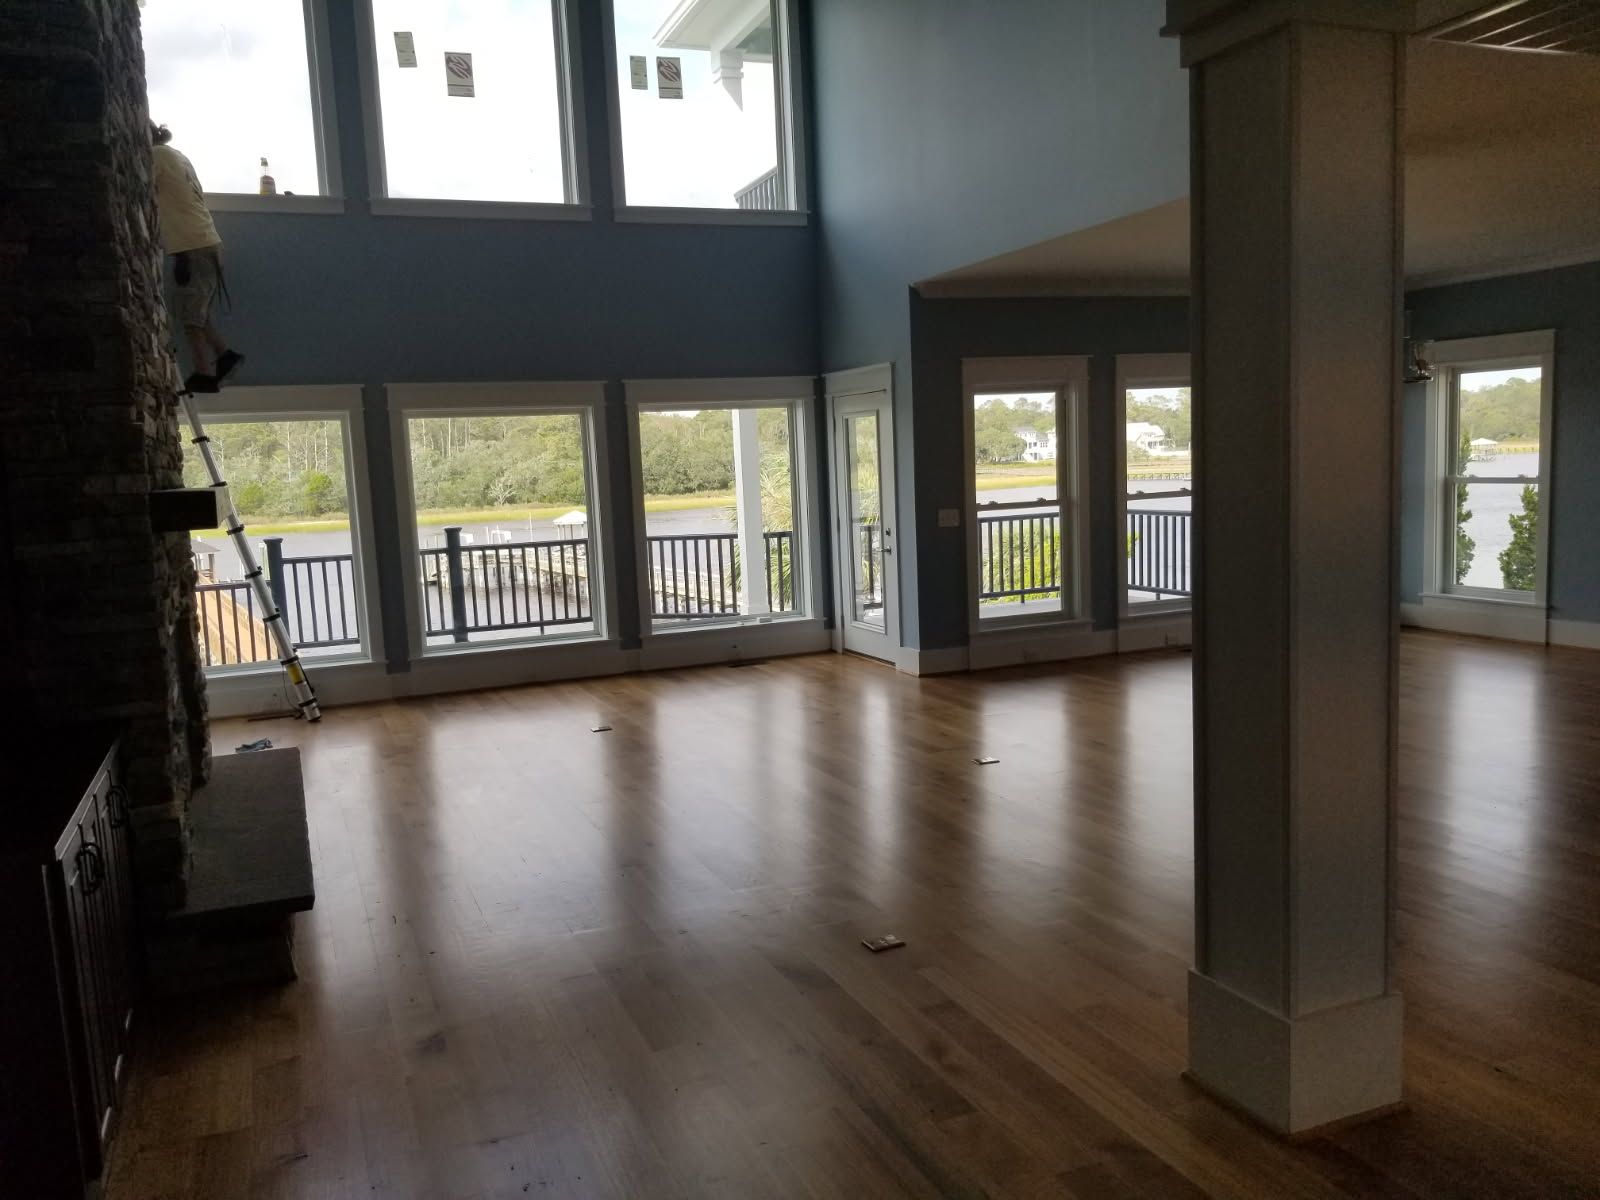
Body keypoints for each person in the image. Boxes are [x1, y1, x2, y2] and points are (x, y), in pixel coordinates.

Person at [150, 124, 243, 393]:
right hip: (200, 243)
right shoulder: (177, 156)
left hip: (194, 246)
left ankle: (205, 373)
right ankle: (224, 356)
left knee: (191, 315)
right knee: (194, 311)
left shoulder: (156, 156)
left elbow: (138, 183)